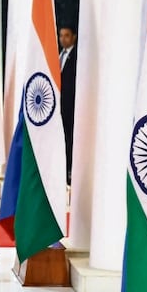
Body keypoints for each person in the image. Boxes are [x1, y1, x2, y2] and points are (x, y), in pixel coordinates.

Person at [58, 25, 78, 184]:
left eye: (66, 35)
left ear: (74, 37)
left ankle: (70, 171)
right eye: (61, 36)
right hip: (60, 108)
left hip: (71, 107)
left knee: (71, 139)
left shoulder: (77, 57)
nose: (63, 39)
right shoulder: (59, 55)